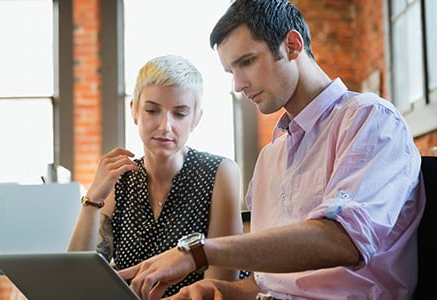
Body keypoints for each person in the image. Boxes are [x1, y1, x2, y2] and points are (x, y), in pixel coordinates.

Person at [117, 1, 426, 299]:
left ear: (292, 45)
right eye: (230, 72)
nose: (238, 84)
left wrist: (198, 252)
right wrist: (221, 291)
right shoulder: (271, 157)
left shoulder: (369, 119)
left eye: (246, 62)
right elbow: (270, 284)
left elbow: (342, 239)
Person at [67, 54, 247, 297]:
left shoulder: (219, 172)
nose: (165, 126)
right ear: (134, 111)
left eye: (180, 114)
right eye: (152, 110)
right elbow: (76, 279)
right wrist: (92, 199)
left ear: (196, 119)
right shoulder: (121, 179)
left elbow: (218, 284)